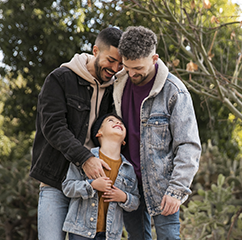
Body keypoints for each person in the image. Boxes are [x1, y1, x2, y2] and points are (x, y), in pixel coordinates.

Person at [30, 27, 124, 240]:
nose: (115, 68)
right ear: (95, 51)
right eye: (111, 60)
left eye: (120, 64)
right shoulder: (60, 78)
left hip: (90, 187)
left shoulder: (115, 90)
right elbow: (53, 127)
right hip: (56, 180)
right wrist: (85, 159)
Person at [114, 26, 201, 240]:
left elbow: (188, 145)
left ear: (154, 58)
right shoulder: (117, 84)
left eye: (138, 68)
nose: (131, 73)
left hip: (163, 186)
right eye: (127, 67)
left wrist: (177, 190)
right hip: (128, 184)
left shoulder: (175, 91)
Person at [62, 113, 139, 240]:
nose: (118, 123)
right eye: (111, 120)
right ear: (99, 132)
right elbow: (67, 187)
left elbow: (135, 201)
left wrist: (124, 197)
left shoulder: (128, 169)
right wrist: (92, 185)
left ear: (124, 140)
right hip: (80, 231)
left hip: (110, 235)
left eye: (122, 124)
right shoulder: (86, 159)